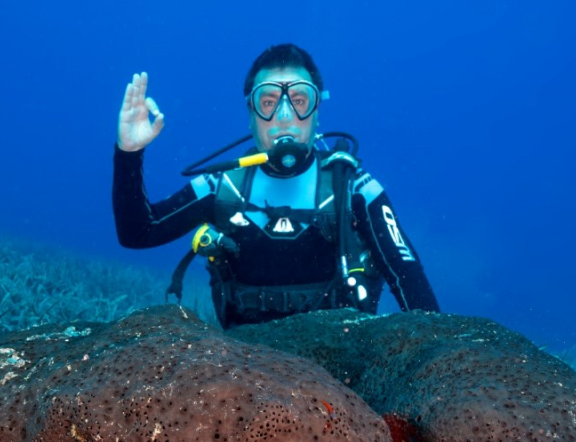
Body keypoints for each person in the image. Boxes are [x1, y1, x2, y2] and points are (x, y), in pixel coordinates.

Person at [113, 43, 440, 329]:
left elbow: (411, 286)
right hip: (242, 383)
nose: (285, 116)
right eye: (268, 102)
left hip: (343, 383)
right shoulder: (222, 187)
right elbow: (138, 233)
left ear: (317, 111)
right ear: (250, 114)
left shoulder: (355, 190)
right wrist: (129, 153)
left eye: (299, 99)